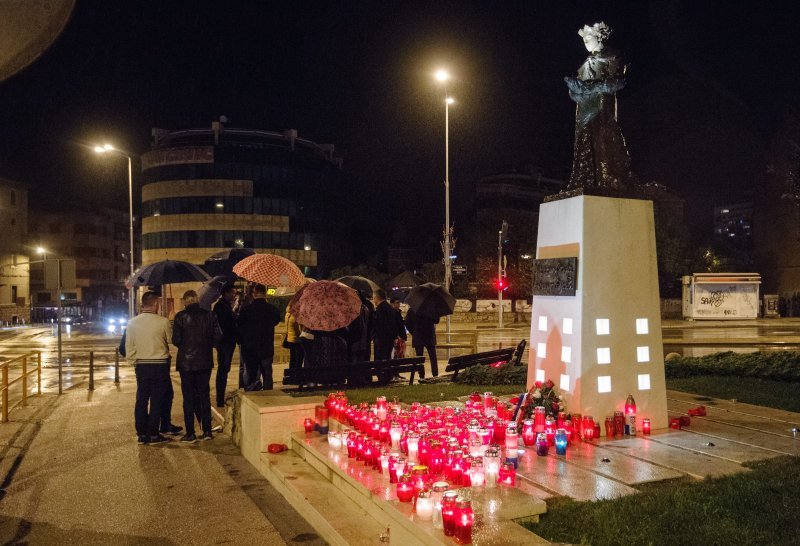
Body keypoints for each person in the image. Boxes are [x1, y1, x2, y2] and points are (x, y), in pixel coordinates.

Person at [561, 21, 639, 199]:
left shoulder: (613, 56)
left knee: (602, 139)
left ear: (599, 36)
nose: (586, 43)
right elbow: (577, 93)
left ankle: (607, 177)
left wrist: (587, 88)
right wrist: (575, 89)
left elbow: (618, 82)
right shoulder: (586, 62)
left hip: (601, 106)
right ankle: (587, 179)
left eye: (588, 38)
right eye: (584, 40)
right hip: (583, 110)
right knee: (583, 144)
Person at [125, 291, 175, 445]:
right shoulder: (163, 322)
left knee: (141, 399)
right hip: (159, 365)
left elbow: (129, 347)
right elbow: (171, 340)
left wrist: (135, 362)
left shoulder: (132, 323)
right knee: (157, 400)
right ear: (155, 304)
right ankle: (153, 433)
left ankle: (141, 433)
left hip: (142, 365)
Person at [172, 290, 222, 443]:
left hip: (186, 364)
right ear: (197, 300)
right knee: (204, 396)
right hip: (204, 362)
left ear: (186, 301)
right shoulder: (210, 315)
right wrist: (206, 345)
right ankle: (207, 431)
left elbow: (176, 340)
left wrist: (187, 346)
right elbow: (218, 337)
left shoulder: (180, 317)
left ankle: (190, 433)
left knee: (188, 398)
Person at [237, 284, 281, 390]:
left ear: (254, 294)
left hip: (251, 348)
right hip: (266, 347)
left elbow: (240, 327)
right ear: (265, 294)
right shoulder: (272, 310)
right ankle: (267, 395)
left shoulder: (246, 310)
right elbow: (276, 321)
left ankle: (253, 395)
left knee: (252, 375)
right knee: (267, 375)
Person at [213, 284, 238, 407]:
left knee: (224, 369)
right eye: (233, 293)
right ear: (226, 293)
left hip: (226, 342)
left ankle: (220, 397)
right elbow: (227, 324)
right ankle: (219, 399)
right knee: (223, 369)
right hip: (225, 343)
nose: (234, 295)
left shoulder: (224, 305)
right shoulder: (221, 306)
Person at [372, 289, 406, 361]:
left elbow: (378, 326)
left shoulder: (380, 310)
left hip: (381, 342)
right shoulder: (391, 309)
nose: (373, 300)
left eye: (373, 298)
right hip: (390, 341)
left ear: (376, 298)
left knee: (380, 363)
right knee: (387, 360)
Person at [404, 308, 438, 378]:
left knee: (420, 358)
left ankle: (421, 376)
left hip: (418, 336)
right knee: (433, 357)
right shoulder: (430, 308)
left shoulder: (412, 309)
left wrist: (413, 332)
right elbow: (436, 320)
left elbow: (407, 323)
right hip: (429, 335)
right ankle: (435, 374)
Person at [346, 292, 373, 363]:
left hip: (355, 342)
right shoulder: (365, 308)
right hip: (363, 342)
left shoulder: (353, 309)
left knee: (354, 364)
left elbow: (354, 326)